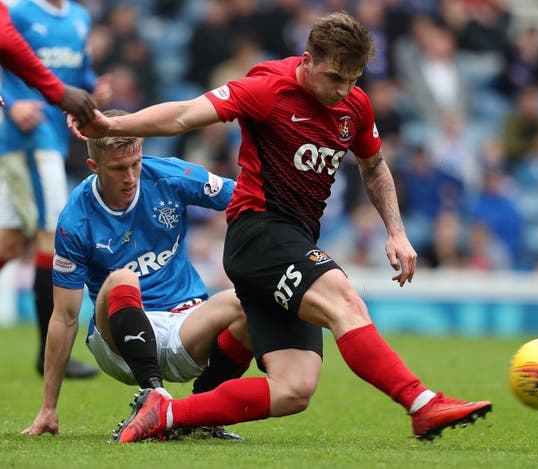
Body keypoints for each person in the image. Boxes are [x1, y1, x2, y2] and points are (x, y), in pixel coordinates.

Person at [71, 12, 491, 443]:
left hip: (295, 240)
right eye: (334, 78)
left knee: (295, 389)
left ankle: (169, 413)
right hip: (259, 233)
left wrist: (396, 232)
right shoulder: (266, 88)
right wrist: (111, 124)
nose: (343, 90)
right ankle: (421, 403)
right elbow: (183, 115)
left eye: (353, 79)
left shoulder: (355, 105)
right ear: (308, 60)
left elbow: (375, 167)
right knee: (344, 299)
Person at [22, 110, 252, 439]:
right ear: (94, 167)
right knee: (121, 279)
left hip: (184, 323)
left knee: (250, 302)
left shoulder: (171, 176)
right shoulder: (76, 219)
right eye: (118, 169)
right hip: (118, 342)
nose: (130, 177)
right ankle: (153, 397)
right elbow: (66, 317)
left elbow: (245, 199)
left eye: (136, 164)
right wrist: (48, 407)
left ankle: (202, 411)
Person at [0, 0, 112, 379]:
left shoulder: (80, 18)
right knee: (53, 236)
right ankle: (47, 354)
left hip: (54, 135)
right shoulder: (17, 11)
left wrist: (96, 86)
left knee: (11, 242)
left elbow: (79, 73)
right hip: (27, 136)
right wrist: (10, 105)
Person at [0, 1, 95, 125]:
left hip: (65, 116)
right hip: (32, 117)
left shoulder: (81, 15)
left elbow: (82, 66)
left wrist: (93, 86)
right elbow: (7, 50)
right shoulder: (17, 12)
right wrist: (12, 103)